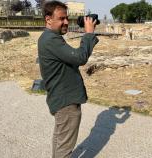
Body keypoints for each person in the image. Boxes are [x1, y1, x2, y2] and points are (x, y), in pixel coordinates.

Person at [37, 1, 99, 158]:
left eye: (67, 18)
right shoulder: (51, 39)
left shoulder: (49, 37)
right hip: (66, 101)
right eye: (61, 18)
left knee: (60, 141)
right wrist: (89, 34)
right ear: (48, 19)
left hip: (61, 98)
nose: (66, 22)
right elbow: (80, 57)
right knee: (64, 148)